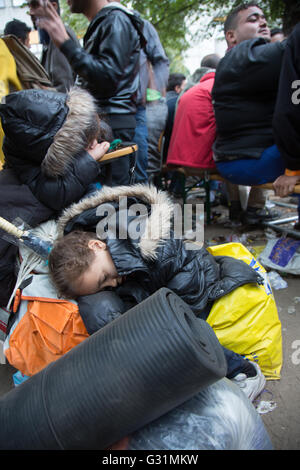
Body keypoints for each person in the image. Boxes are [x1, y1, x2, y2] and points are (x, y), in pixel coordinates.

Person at [48, 185, 267, 401]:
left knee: (176, 336)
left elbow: (188, 295)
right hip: (158, 289)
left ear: (97, 245)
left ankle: (243, 370)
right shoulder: (109, 255)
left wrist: (158, 332)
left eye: (105, 277)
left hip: (198, 285)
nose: (112, 284)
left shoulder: (155, 245)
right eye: (103, 287)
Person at [0, 86, 110, 307]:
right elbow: (56, 194)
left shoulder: (30, 150)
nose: (92, 145)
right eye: (84, 142)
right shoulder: (39, 191)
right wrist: (88, 162)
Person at [29, 0, 145, 186]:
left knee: (114, 201)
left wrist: (65, 43)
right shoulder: (106, 22)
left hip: (112, 123)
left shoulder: (115, 20)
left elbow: (107, 77)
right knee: (106, 201)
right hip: (105, 122)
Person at [212, 2, 286, 225]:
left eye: (264, 19)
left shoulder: (233, 61)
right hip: (251, 162)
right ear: (231, 36)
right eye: (252, 19)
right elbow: (291, 48)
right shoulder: (245, 56)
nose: (263, 22)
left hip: (231, 162)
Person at [108, 0, 169, 185]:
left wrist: (152, 91)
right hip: (105, 111)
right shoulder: (98, 25)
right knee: (111, 174)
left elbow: (160, 60)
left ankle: (141, 210)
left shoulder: (139, 24)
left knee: (138, 168)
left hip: (135, 109)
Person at [28, 0, 80, 93]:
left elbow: (64, 88)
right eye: (29, 6)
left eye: (35, 5)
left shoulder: (59, 37)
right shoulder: (50, 41)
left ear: (53, 6)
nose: (31, 12)